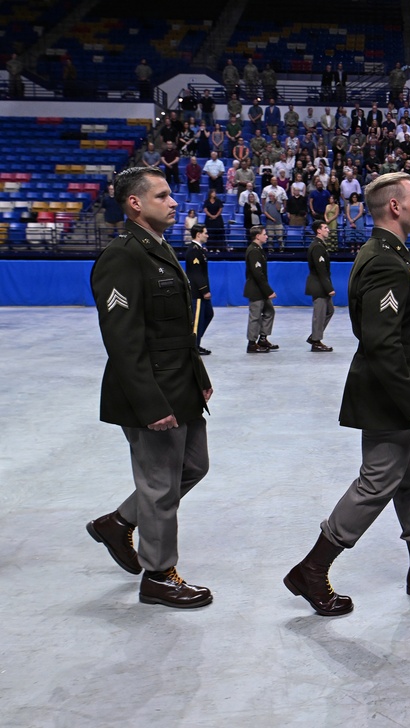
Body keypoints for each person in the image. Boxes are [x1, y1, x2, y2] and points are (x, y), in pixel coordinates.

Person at [283, 173, 410, 616]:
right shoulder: (384, 261)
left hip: (402, 387)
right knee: (377, 483)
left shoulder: (392, 254)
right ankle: (312, 569)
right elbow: (382, 342)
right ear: (395, 207)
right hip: (389, 394)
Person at [86, 167, 213, 609]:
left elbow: (177, 329)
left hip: (181, 385)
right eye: (162, 195)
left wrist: (200, 379)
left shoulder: (159, 247)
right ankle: (159, 576)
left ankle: (119, 522)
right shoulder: (122, 256)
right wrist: (148, 403)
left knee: (193, 466)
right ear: (135, 203)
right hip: (152, 391)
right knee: (160, 485)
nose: (174, 202)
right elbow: (122, 340)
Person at [244, 225, 278, 353]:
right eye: (264, 234)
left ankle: (263, 338)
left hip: (261, 289)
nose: (267, 236)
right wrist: (269, 291)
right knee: (255, 316)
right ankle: (252, 343)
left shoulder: (258, 249)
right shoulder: (253, 251)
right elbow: (258, 274)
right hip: (255, 289)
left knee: (269, 311)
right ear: (257, 236)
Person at [305, 221, 335, 352]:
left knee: (329, 310)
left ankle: (314, 336)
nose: (328, 230)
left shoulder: (320, 245)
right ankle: (316, 341)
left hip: (321, 284)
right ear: (318, 230)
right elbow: (321, 270)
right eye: (325, 228)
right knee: (320, 313)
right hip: (318, 285)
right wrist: (329, 288)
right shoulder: (317, 247)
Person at [185, 224, 214, 356]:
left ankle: (196, 342)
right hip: (197, 293)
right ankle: (193, 346)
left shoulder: (199, 250)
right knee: (197, 321)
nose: (207, 235)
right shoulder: (194, 251)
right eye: (205, 233)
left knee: (208, 314)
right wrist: (204, 290)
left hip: (201, 292)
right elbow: (196, 273)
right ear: (198, 234)